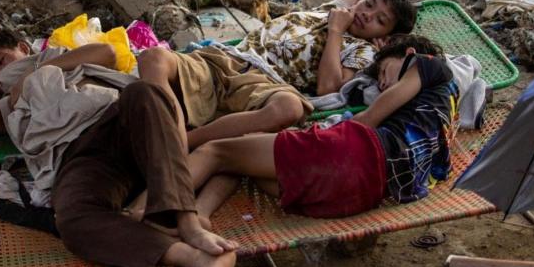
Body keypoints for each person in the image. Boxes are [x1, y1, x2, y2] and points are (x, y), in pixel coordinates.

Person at [0, 30, 237, 267]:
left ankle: (188, 224)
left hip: (118, 121)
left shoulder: (58, 61)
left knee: (145, 92)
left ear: (23, 48)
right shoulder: (5, 110)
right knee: (72, 219)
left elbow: (108, 52)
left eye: (0, 61)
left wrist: (35, 72)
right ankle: (195, 258)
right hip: (80, 160)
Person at [171, 34, 457, 222]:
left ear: (409, 54)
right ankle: (201, 215)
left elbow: (367, 120)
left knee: (214, 151)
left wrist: (318, 133)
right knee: (243, 155)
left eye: (383, 72)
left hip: (354, 154)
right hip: (359, 195)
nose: (383, 84)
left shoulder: (429, 65)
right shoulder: (444, 111)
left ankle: (149, 207)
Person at [138, 0, 418, 149]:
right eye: (368, 5)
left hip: (264, 83)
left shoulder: (362, 49)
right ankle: (172, 134)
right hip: (226, 60)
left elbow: (328, 88)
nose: (368, 15)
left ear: (386, 35)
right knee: (154, 58)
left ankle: (185, 142)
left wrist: (336, 31)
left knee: (289, 108)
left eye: (380, 20)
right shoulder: (330, 9)